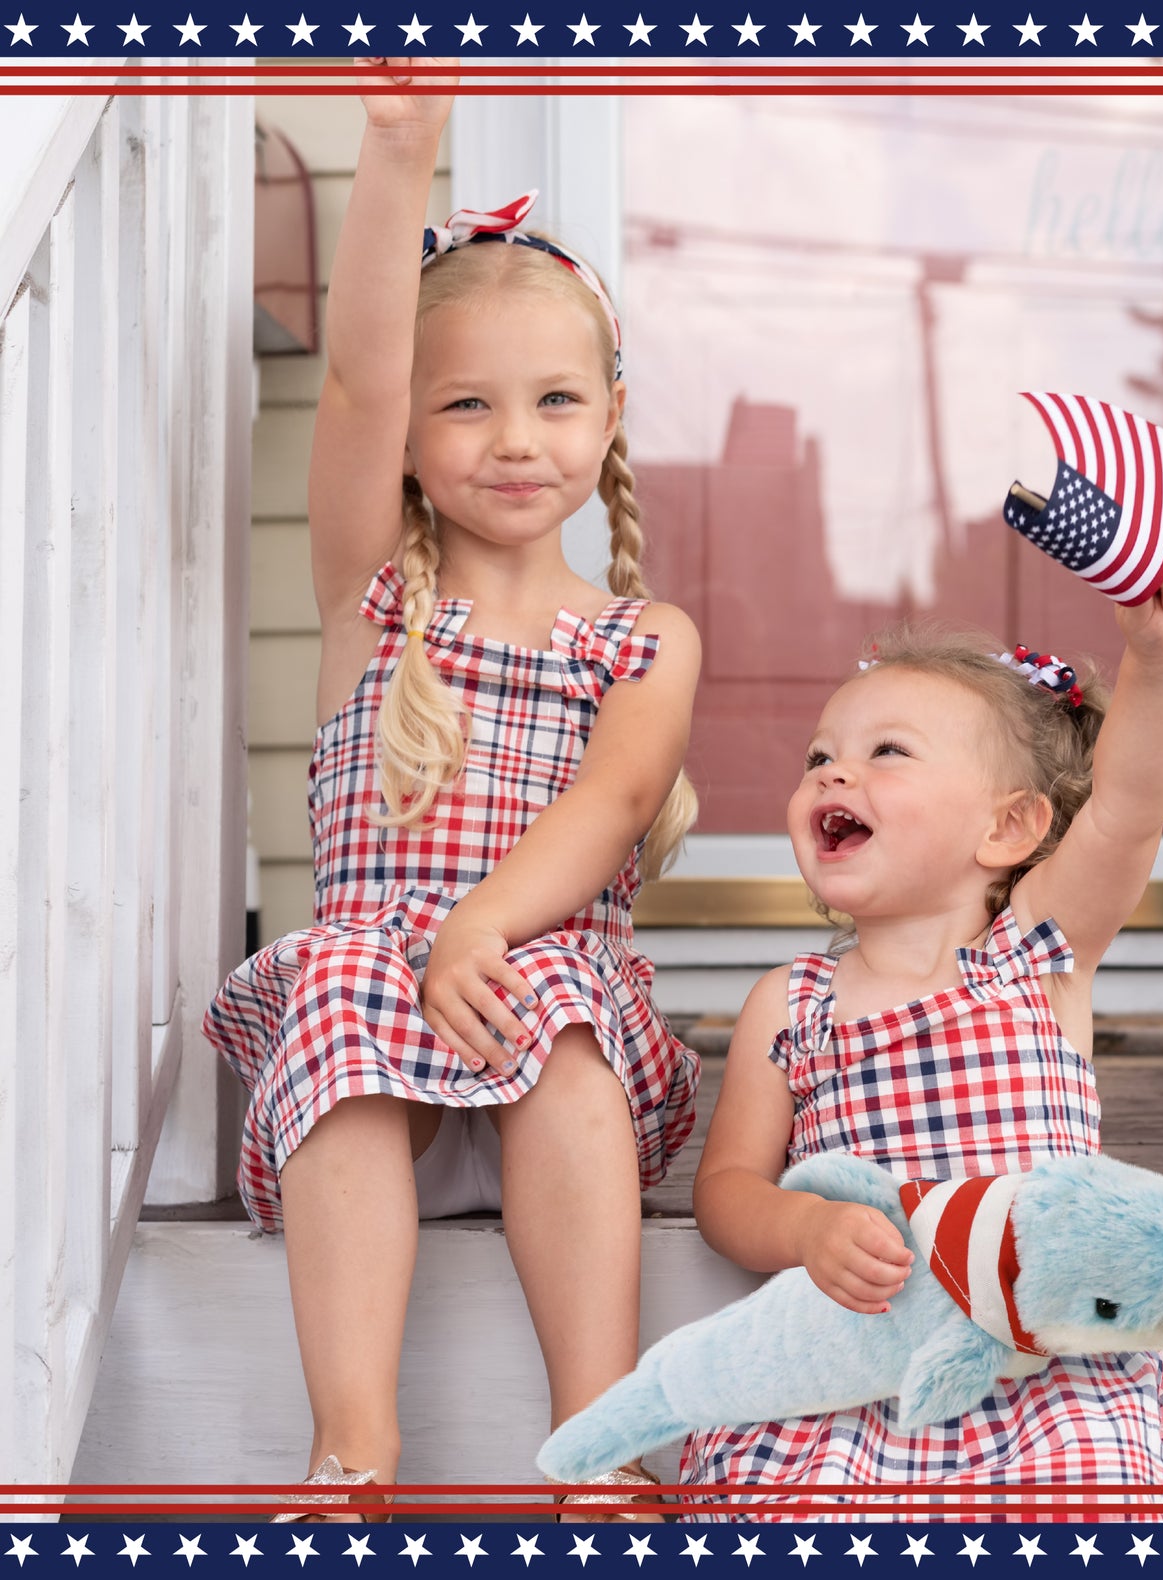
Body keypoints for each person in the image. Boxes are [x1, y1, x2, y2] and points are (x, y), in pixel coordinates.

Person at [204, 61, 700, 1523]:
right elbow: (354, 371)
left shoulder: (642, 637)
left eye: (554, 400)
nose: (513, 439)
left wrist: (482, 927)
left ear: (609, 416)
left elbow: (609, 806)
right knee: (355, 974)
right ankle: (352, 1454)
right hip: (374, 1089)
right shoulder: (375, 602)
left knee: (551, 998)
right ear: (415, 441)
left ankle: (596, 1446)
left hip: (550, 1054)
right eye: (465, 405)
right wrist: (399, 144)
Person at [686, 560, 1163, 1522]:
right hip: (859, 1372)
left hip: (1045, 1363)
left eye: (887, 753)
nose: (833, 771)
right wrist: (802, 1228)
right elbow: (726, 1189)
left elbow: (1127, 811)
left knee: (1086, 1497)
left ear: (1008, 826)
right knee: (802, 1511)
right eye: (818, 757)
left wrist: (1159, 664)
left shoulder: (1037, 956)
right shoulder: (792, 1003)